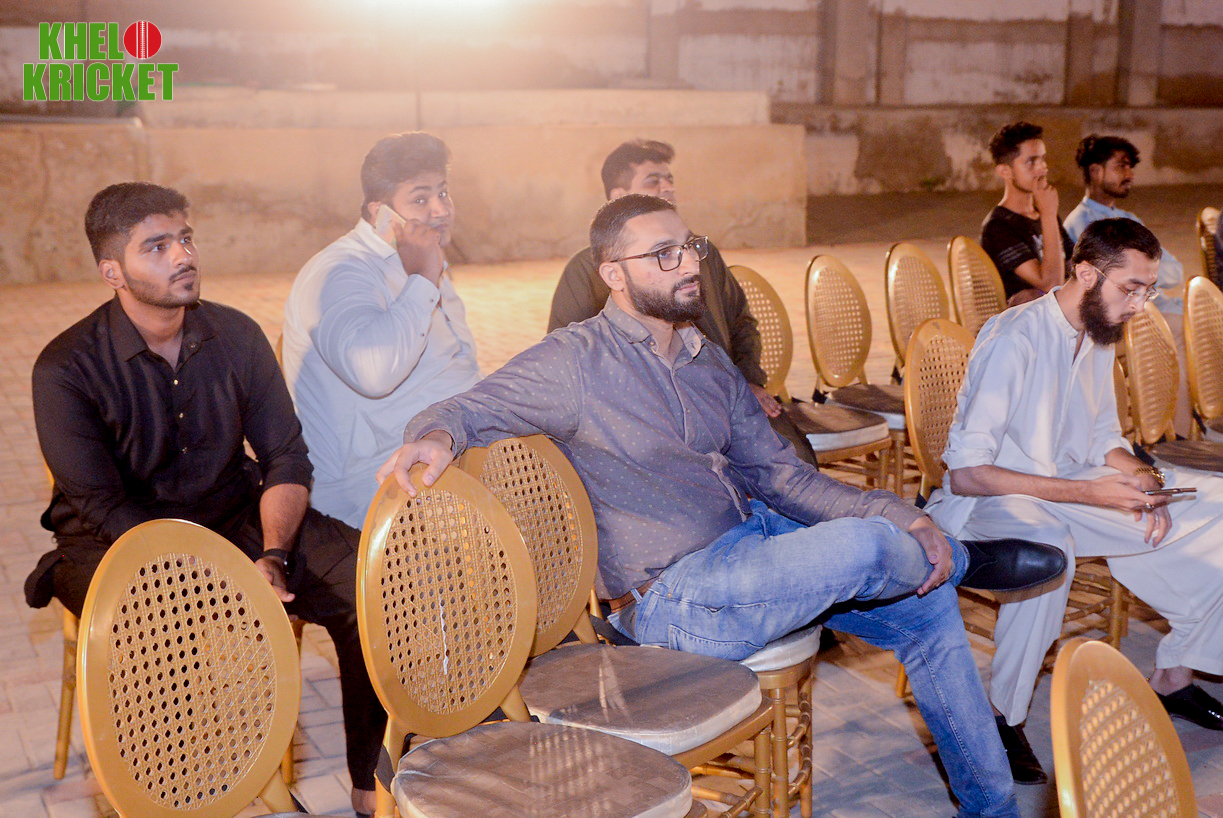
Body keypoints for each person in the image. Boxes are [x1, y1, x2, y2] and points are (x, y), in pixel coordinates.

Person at [379, 194, 1071, 818]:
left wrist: (907, 516)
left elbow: (782, 478)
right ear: (612, 273)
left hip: (752, 552)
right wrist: (434, 438)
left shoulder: (705, 357)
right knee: (866, 547)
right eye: (663, 254)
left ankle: (992, 810)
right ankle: (966, 561)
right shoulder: (575, 363)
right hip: (672, 598)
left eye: (690, 247)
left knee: (927, 605)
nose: (689, 265)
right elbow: (463, 409)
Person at [25, 183, 384, 818]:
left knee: (370, 580)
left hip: (235, 515)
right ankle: (188, 793)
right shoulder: (65, 368)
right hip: (116, 542)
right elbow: (102, 506)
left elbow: (285, 456)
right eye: (156, 246)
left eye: (185, 239)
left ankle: (369, 785)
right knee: (163, 636)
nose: (182, 255)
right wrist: (217, 579)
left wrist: (273, 554)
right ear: (112, 272)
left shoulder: (236, 334)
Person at [926, 218, 1223, 785]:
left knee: (1215, 505)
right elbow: (967, 473)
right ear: (1086, 273)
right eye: (1130, 289)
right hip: (991, 501)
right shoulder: (1014, 339)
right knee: (1049, 547)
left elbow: (1103, 437)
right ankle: (999, 718)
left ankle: (1175, 676)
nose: (1140, 305)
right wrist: (1091, 492)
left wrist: (1146, 479)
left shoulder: (1099, 329)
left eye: (1147, 290)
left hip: (1070, 488)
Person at [548, 138, 817, 465]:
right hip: (646, 420)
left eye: (669, 179)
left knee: (792, 459)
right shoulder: (586, 271)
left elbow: (741, 324)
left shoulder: (702, 254)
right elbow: (568, 365)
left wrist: (749, 380)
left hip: (724, 399)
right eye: (653, 181)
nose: (668, 188)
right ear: (619, 196)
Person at [282, 132, 481, 529]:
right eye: (420, 199)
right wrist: (423, 278)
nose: (441, 209)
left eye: (443, 193)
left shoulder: (419, 259)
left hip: (441, 462)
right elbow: (373, 374)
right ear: (380, 212)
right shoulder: (340, 273)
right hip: (375, 496)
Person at [1064, 134, 1192, 435]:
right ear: (1096, 171)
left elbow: (1174, 269)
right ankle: (1179, 435)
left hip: (1153, 306)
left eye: (1131, 166)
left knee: (1205, 319)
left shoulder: (1127, 218)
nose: (1130, 174)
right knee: (1180, 330)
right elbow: (1110, 286)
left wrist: (1141, 275)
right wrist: (1145, 275)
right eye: (1121, 166)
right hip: (1126, 315)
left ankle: (1198, 420)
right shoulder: (1082, 224)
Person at [980, 122, 1074, 306]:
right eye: (1031, 161)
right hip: (1028, 319)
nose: (1042, 168)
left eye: (1042, 159)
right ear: (1005, 171)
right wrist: (1048, 214)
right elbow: (1051, 284)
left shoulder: (1043, 214)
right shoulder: (998, 226)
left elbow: (1077, 267)